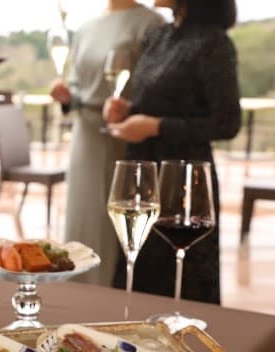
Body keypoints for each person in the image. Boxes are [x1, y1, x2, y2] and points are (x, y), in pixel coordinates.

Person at [103, 0, 241, 304]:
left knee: (182, 286)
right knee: (138, 277)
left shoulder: (214, 43)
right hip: (143, 176)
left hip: (184, 183)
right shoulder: (157, 36)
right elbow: (158, 103)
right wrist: (128, 110)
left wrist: (156, 126)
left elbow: (227, 123)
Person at [49, 1, 164, 287]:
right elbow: (77, 86)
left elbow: (158, 86)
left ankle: (108, 297)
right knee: (81, 219)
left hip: (122, 136)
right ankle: (76, 294)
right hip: (85, 135)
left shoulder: (151, 23)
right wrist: (67, 97)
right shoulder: (86, 27)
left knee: (112, 223)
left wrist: (130, 109)